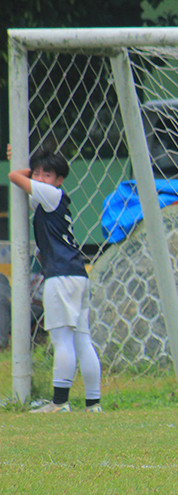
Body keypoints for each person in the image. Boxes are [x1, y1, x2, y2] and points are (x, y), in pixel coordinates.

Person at [8, 146, 102, 413]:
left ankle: (59, 403)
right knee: (82, 338)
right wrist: (22, 158)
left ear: (59, 179)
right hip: (77, 275)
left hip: (61, 276)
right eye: (36, 173)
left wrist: (23, 166)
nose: (38, 178)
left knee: (62, 339)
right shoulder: (52, 199)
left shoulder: (51, 194)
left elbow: (15, 176)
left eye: (46, 174)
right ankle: (93, 404)